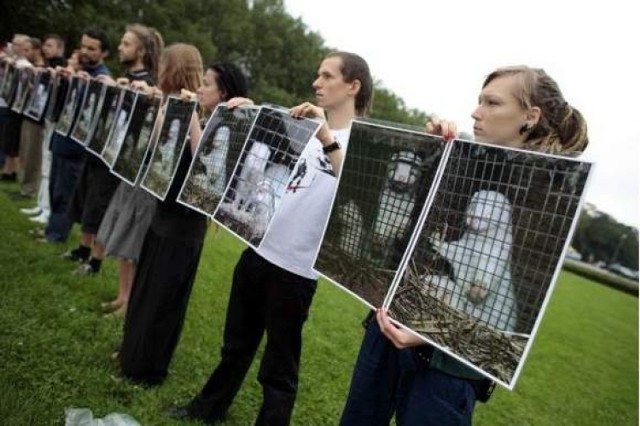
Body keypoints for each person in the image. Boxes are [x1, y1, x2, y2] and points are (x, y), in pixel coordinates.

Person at [339, 65, 589, 426]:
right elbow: (410, 232)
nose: (476, 112)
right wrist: (434, 156)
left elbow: (507, 285)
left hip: (448, 370)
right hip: (387, 328)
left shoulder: (546, 193)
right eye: (478, 101)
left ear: (529, 117)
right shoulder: (459, 160)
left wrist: (428, 332)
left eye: (492, 103)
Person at [167, 51, 373, 425]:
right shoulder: (310, 130)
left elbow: (354, 191)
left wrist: (326, 135)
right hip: (259, 250)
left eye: (327, 76)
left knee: (278, 370)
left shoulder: (360, 142)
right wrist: (246, 113)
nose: (317, 83)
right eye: (317, 75)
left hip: (296, 271)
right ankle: (207, 409)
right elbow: (266, 153)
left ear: (353, 86)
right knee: (235, 347)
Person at [117, 47, 250, 386]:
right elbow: (161, 138)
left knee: (164, 300)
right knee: (146, 290)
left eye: (207, 84)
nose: (201, 88)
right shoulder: (202, 116)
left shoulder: (231, 126)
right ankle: (131, 352)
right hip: (163, 215)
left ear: (222, 93)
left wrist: (188, 115)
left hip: (183, 227)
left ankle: (149, 368)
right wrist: (165, 105)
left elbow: (202, 161)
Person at [94, 24, 163, 312]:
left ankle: (129, 300)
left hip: (146, 171)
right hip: (129, 163)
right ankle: (123, 296)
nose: (121, 48)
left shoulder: (157, 88)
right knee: (123, 228)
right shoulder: (136, 81)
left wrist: (151, 93)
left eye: (126, 43)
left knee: (133, 236)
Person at [45, 29, 110, 243]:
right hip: (61, 138)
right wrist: (63, 78)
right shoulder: (76, 71)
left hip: (77, 146)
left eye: (91, 48)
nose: (85, 51)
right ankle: (50, 230)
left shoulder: (103, 77)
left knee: (65, 192)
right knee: (54, 187)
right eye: (83, 46)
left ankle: (57, 234)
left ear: (104, 53)